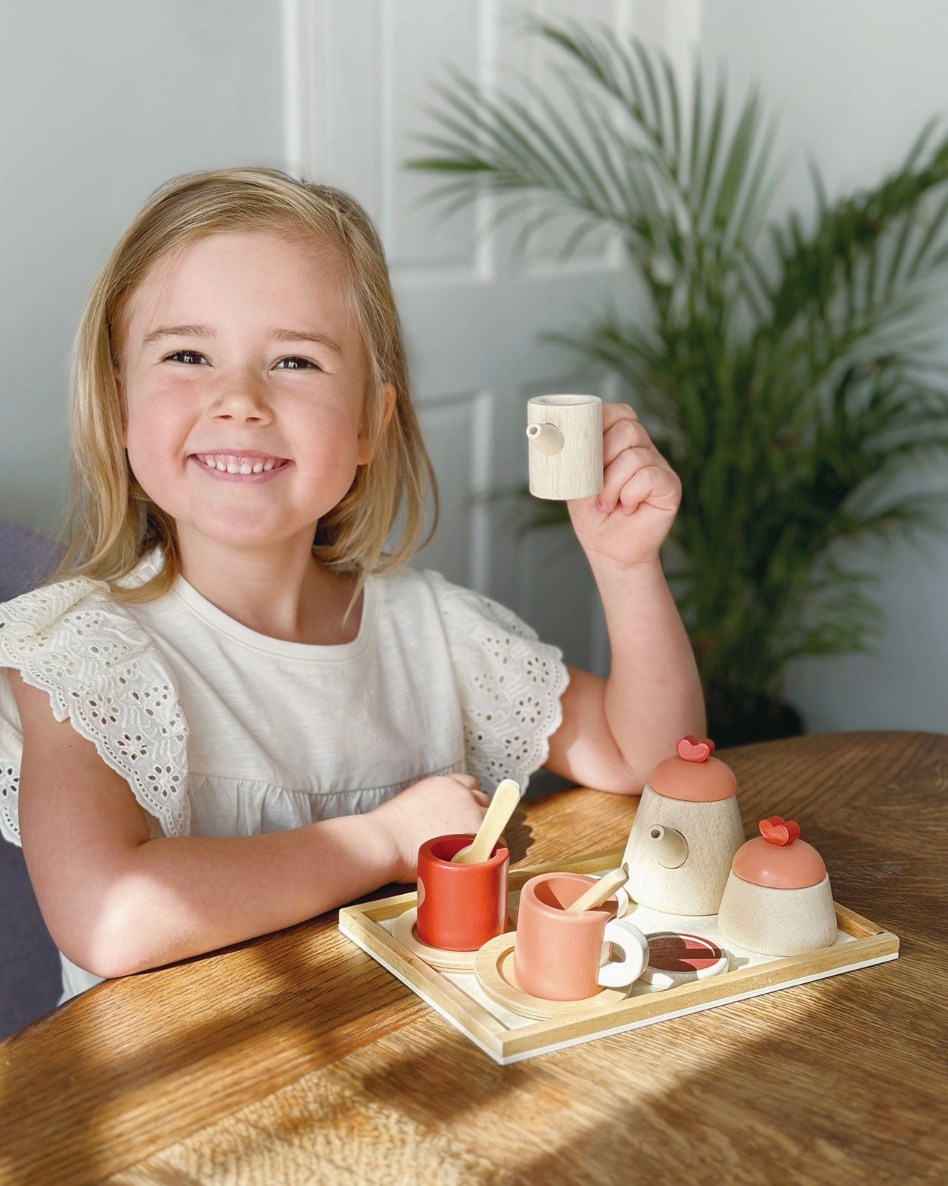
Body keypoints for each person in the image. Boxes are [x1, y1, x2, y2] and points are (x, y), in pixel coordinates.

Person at [0, 168, 704, 1004]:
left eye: (294, 360)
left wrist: (625, 566)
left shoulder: (436, 634)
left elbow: (656, 762)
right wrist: (382, 840)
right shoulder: (77, 657)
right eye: (188, 355)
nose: (239, 400)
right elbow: (109, 915)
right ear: (119, 408)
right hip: (188, 1112)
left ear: (371, 421)